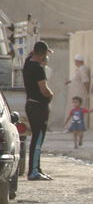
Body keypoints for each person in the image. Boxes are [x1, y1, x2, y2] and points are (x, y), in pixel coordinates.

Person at [23, 41, 54, 180]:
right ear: (43, 54)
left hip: (31, 105)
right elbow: (44, 89)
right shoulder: (38, 69)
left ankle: (37, 168)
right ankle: (33, 171)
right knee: (38, 138)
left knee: (37, 137)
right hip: (38, 107)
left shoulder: (28, 63)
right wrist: (51, 95)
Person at [65, 54, 91, 121]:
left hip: (80, 93)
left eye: (76, 61)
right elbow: (77, 79)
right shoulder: (79, 69)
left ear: (79, 61)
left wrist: (88, 92)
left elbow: (86, 81)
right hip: (76, 93)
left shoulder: (82, 69)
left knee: (79, 110)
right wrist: (70, 81)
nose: (75, 63)